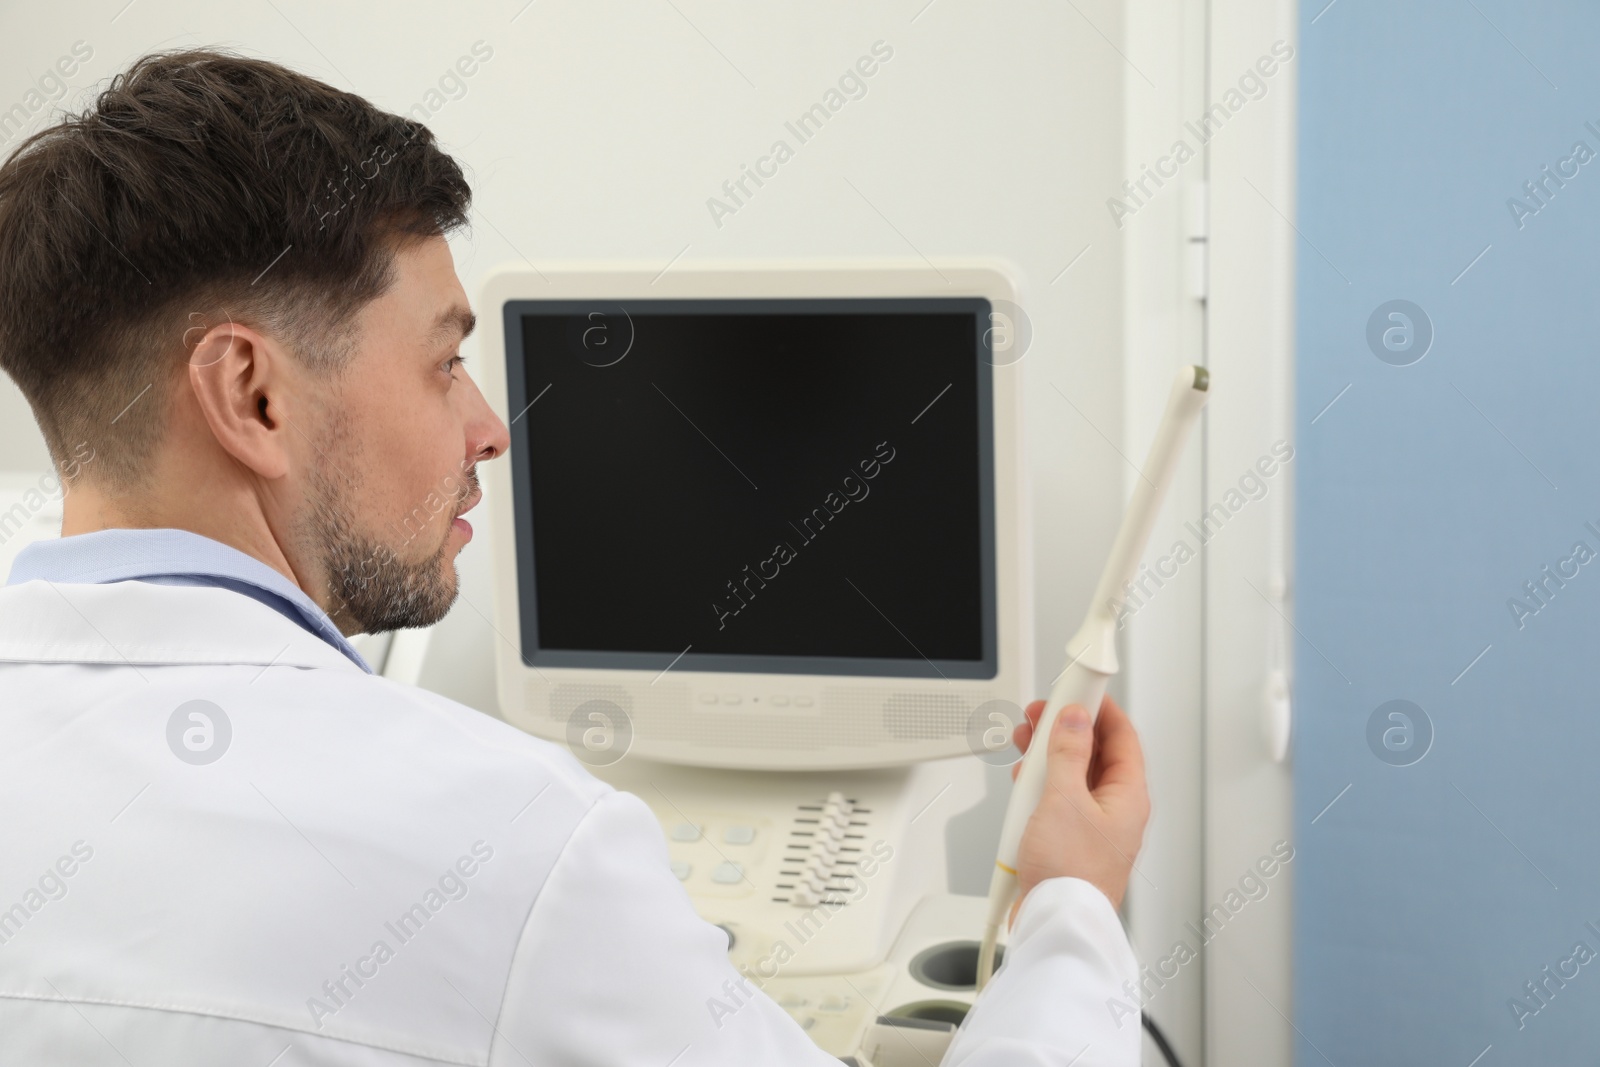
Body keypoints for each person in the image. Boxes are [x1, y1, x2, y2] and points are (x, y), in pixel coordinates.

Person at [0, 50, 1151, 1065]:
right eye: (445, 364)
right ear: (252, 393)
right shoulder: (511, 845)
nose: (491, 426)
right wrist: (1070, 910)